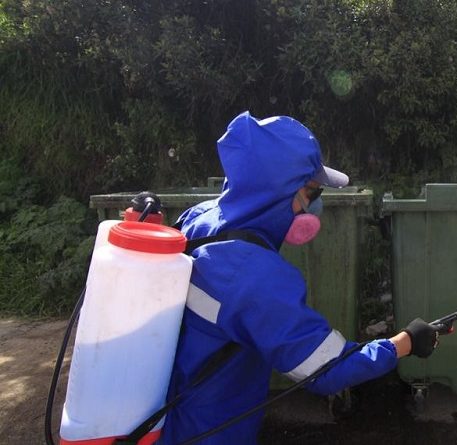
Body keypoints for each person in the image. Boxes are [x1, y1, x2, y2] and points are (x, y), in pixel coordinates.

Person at [158, 112, 440, 444]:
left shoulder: (201, 218)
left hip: (170, 412)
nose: (314, 208)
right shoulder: (254, 275)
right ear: (279, 193)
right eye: (313, 194)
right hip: (205, 432)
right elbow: (327, 368)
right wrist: (404, 343)